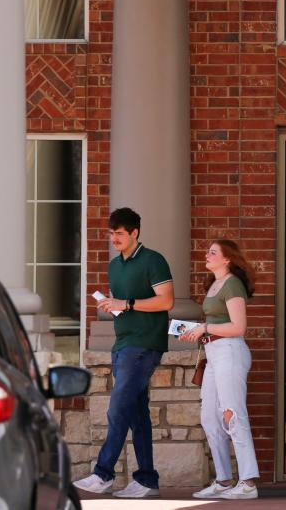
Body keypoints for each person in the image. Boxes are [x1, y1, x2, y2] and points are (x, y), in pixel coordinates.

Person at [75, 207, 174, 498]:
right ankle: (146, 480)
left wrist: (127, 303)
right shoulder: (114, 265)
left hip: (144, 345)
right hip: (122, 344)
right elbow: (122, 304)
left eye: (119, 233)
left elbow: (165, 301)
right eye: (111, 233)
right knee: (136, 413)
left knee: (118, 406)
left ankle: (103, 474)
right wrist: (111, 305)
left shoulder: (154, 260)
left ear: (134, 233)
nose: (114, 238)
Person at [179, 239, 261, 500]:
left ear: (227, 259)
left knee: (233, 416)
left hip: (230, 352)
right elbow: (216, 323)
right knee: (210, 418)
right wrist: (197, 331)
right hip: (214, 354)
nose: (207, 254)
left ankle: (247, 483)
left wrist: (204, 328)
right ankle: (224, 480)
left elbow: (238, 327)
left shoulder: (233, 284)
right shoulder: (214, 283)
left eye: (213, 252)